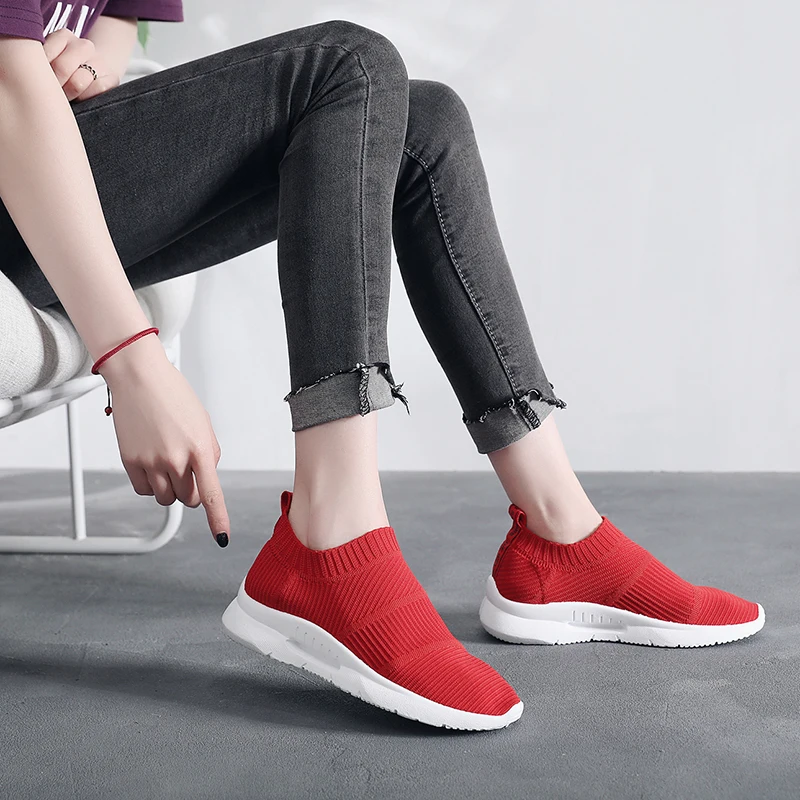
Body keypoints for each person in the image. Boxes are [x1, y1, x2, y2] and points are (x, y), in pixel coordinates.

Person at [0, 2, 765, 731]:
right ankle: (332, 534)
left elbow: (116, 20)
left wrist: (89, 61)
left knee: (424, 122)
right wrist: (132, 359)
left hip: (60, 144)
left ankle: (559, 532)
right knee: (348, 65)